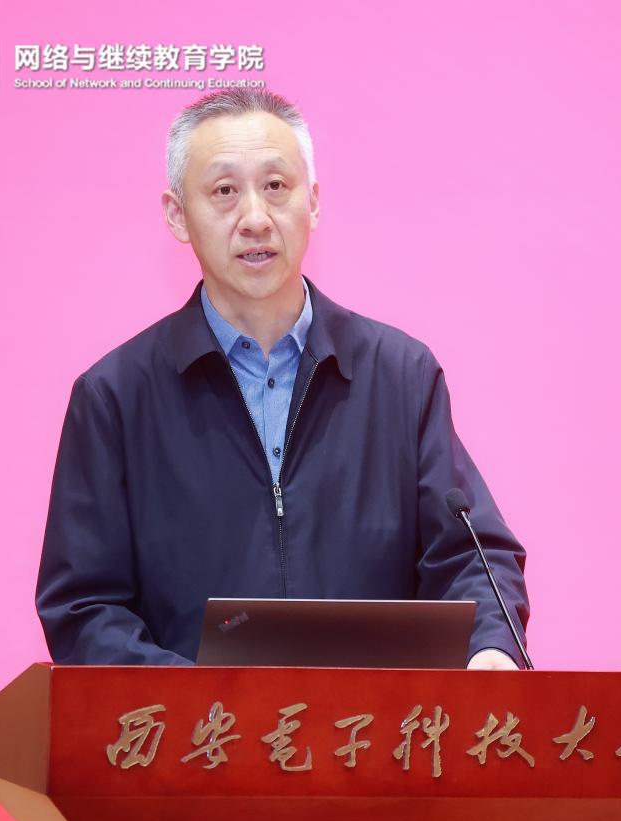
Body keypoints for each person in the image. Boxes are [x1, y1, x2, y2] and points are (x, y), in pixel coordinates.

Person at [35, 89, 529, 670]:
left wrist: (489, 644)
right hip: (198, 727)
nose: (255, 218)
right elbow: (85, 608)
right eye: (224, 191)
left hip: (372, 725)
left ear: (312, 203)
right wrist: (200, 701)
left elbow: (473, 556)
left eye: (275, 186)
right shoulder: (115, 398)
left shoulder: (401, 376)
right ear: (177, 214)